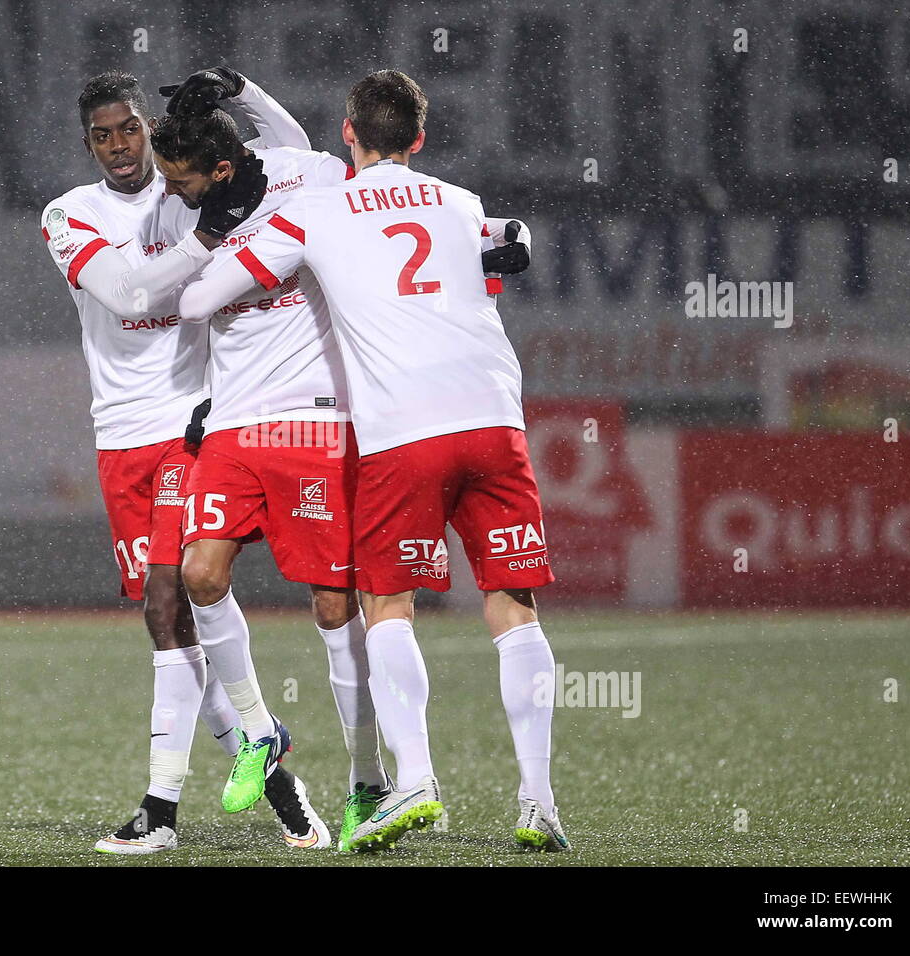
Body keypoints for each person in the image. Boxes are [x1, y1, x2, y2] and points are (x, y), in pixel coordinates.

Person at [176, 70, 566, 854]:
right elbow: (512, 237)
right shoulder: (457, 203)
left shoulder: (316, 211)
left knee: (387, 606)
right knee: (513, 604)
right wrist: (512, 244)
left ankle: (412, 781)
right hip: (495, 419)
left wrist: (235, 237)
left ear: (347, 134)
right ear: (419, 140)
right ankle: (539, 802)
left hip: (401, 430)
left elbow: (194, 301)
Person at [39, 67, 327, 854]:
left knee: (173, 601)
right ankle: (277, 777)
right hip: (120, 436)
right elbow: (132, 296)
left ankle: (158, 814)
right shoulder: (70, 214)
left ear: (148, 126)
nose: (119, 146)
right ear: (88, 143)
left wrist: (241, 89)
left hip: (193, 420)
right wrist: (208, 235)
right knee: (167, 622)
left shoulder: (186, 184)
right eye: (102, 134)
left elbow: (291, 154)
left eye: (129, 127)